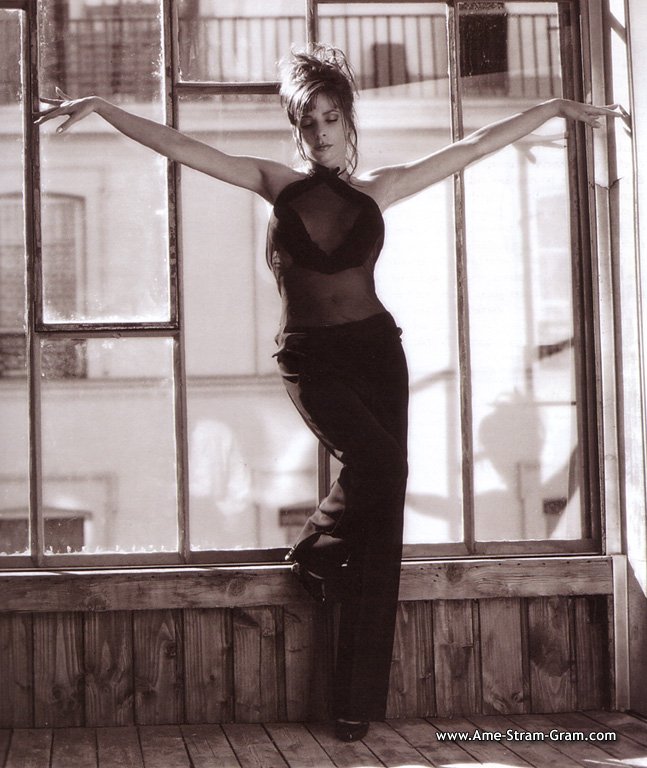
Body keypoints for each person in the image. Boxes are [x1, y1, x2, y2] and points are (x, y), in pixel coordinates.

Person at [34, 44, 618, 741]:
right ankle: (313, 549)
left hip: (378, 354)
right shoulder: (275, 183)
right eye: (307, 121)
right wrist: (104, 106)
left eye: (330, 117)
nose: (319, 131)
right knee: (382, 465)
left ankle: (352, 702)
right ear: (297, 127)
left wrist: (551, 107)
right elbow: (183, 147)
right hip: (311, 358)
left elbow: (471, 146)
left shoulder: (379, 189)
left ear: (347, 120)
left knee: (383, 521)